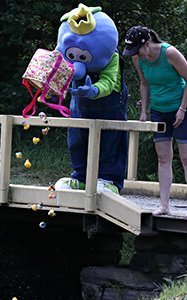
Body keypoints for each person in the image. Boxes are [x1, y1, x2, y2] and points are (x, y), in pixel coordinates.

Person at [123, 26, 187, 218]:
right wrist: (143, 111)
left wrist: (182, 109)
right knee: (163, 158)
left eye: (138, 50)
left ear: (147, 44)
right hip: (159, 110)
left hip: (181, 109)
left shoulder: (169, 53)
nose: (136, 55)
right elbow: (144, 84)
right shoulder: (137, 58)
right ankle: (164, 205)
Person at [53, 4, 129, 195]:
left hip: (109, 105)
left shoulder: (111, 57)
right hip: (80, 106)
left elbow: (109, 82)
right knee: (77, 139)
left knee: (110, 141)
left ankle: (109, 179)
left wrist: (93, 90)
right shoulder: (65, 53)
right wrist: (52, 91)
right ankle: (80, 177)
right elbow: (57, 76)